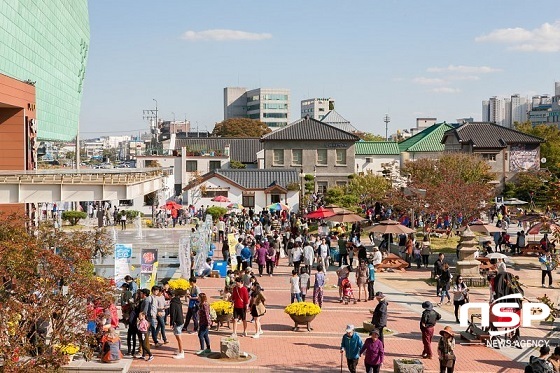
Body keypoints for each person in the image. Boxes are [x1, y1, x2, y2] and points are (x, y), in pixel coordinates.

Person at [169, 289, 185, 359]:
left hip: (177, 322)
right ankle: (181, 350)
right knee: (178, 336)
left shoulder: (173, 303)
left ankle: (181, 352)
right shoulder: (178, 301)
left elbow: (173, 314)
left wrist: (171, 323)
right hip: (181, 320)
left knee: (178, 337)